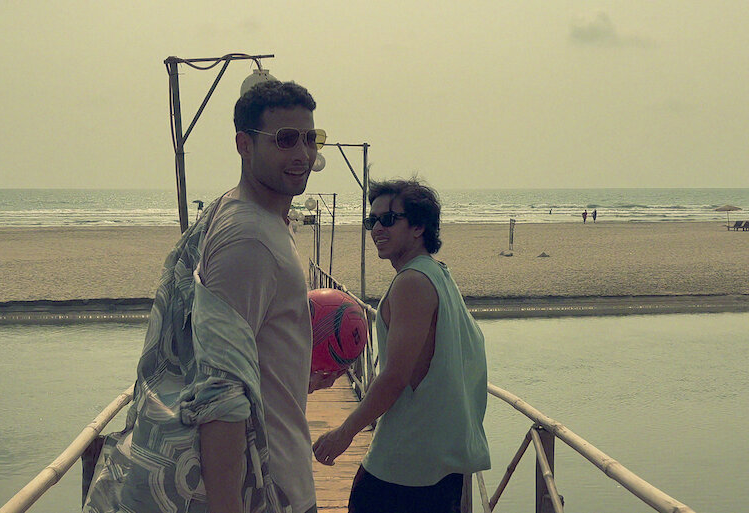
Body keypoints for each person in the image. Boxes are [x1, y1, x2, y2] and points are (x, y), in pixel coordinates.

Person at [83, 80, 329, 513]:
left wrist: (294, 375)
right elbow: (220, 392)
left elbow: (234, 345)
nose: (302, 153)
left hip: (278, 469)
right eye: (286, 139)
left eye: (311, 138)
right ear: (244, 145)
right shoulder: (249, 239)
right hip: (268, 487)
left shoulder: (247, 214)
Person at [312, 179, 490, 513]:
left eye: (389, 219)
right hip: (442, 461)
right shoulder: (439, 275)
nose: (377, 228)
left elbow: (395, 376)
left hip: (407, 462)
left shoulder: (411, 282)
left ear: (419, 227)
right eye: (372, 221)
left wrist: (344, 433)